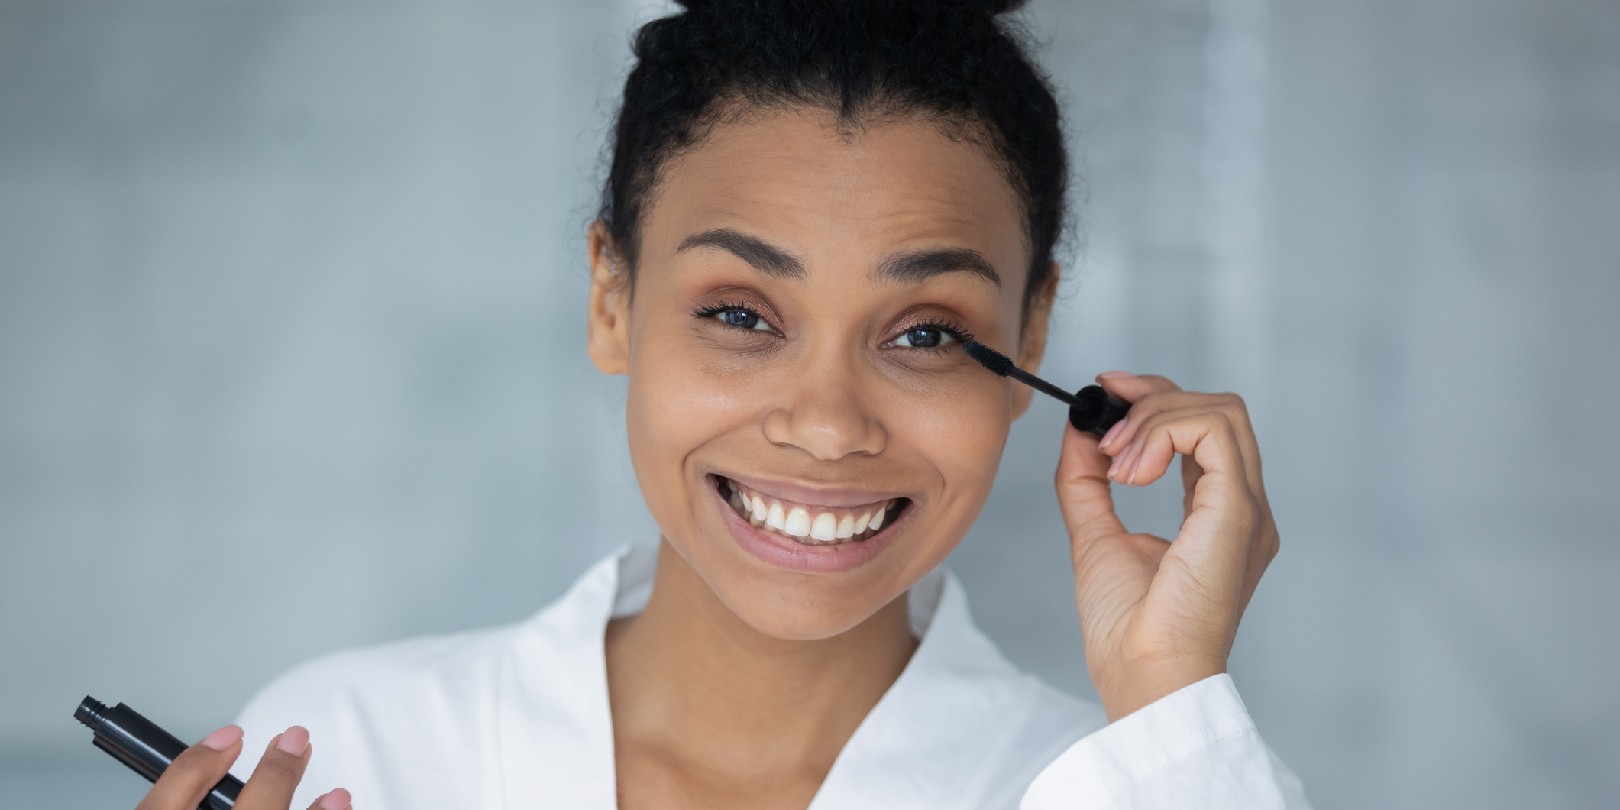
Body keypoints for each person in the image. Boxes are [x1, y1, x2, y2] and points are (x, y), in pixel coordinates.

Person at [133, 0, 1309, 807]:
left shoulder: (1118, 784)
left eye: (926, 334)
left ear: (1032, 334)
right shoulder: (353, 745)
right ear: (611, 297)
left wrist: (1169, 695)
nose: (829, 423)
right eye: (741, 315)